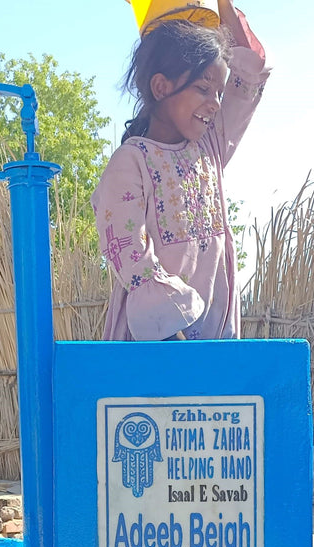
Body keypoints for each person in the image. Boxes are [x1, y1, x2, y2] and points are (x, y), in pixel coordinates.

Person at [92, 0, 268, 342]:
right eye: (203, 89)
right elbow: (131, 255)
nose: (216, 103)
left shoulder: (209, 149)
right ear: (161, 87)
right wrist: (174, 334)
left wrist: (222, 6)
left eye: (218, 92)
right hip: (157, 351)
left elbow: (250, 73)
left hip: (215, 348)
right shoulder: (131, 162)